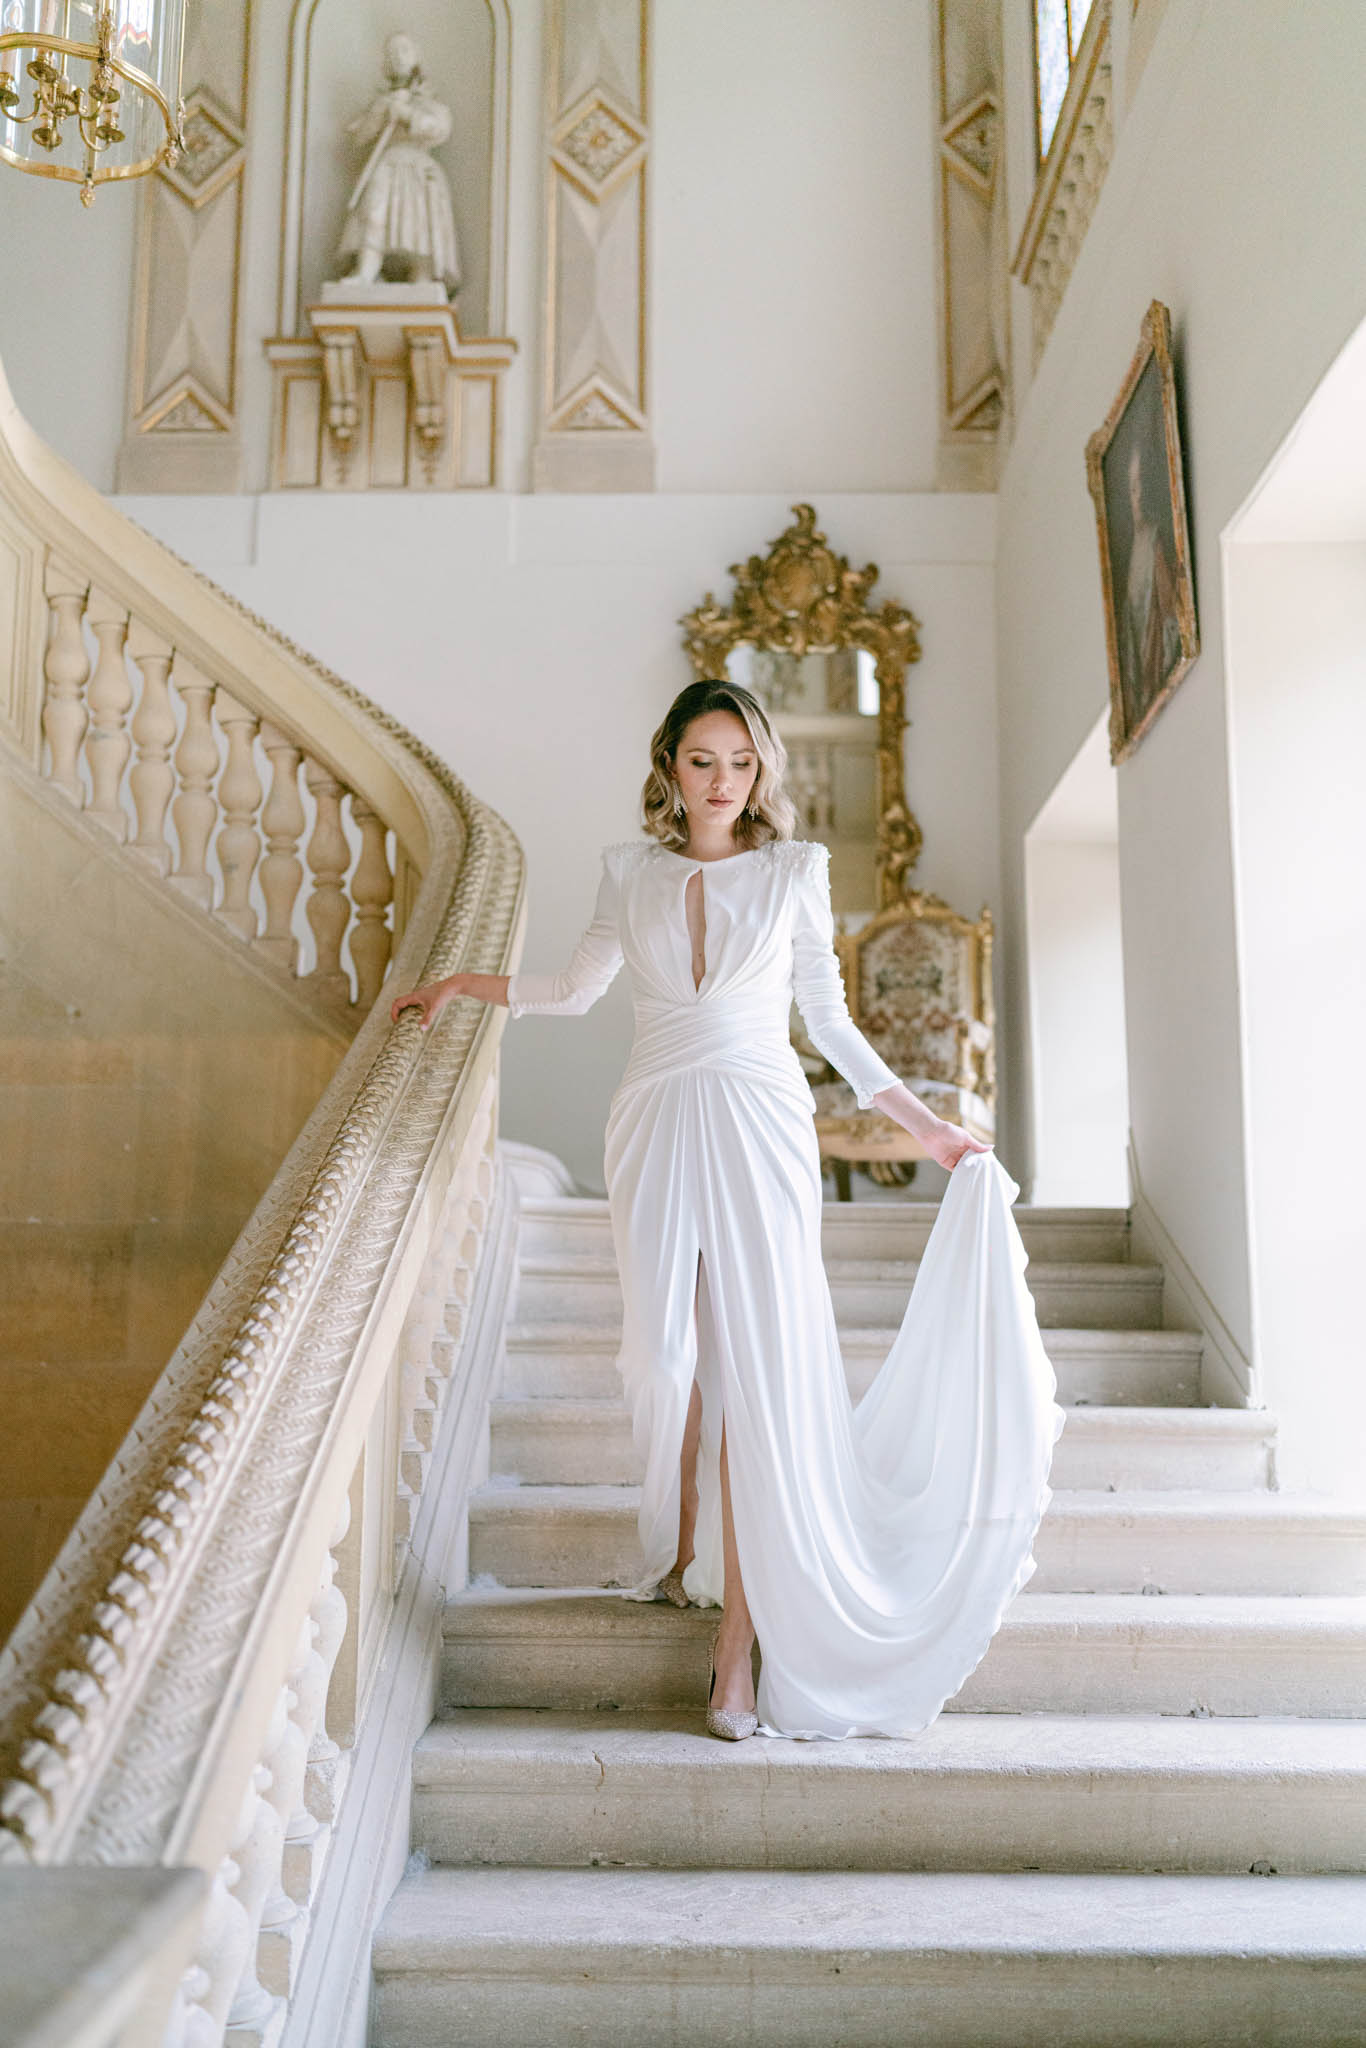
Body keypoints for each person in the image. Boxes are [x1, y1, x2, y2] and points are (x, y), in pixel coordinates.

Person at [392, 680, 1063, 1741]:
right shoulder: (629, 872)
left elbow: (830, 1023)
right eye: (702, 760)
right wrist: (461, 984)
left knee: (754, 1373)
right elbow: (573, 989)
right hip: (654, 1118)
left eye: (740, 761)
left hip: (760, 1119)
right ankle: (681, 1541)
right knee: (660, 1357)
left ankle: (736, 1646)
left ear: (761, 772)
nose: (721, 781)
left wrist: (924, 1128)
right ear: (668, 765)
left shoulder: (796, 871)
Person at [334, 33, 461, 299]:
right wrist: (380, 114)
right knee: (373, 213)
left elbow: (439, 128)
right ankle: (367, 269)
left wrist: (408, 114)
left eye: (403, 50)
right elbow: (360, 136)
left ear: (415, 58)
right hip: (386, 164)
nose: (397, 56)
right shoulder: (380, 103)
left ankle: (421, 275)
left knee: (420, 222)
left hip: (417, 167)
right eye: (391, 52)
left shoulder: (428, 102)